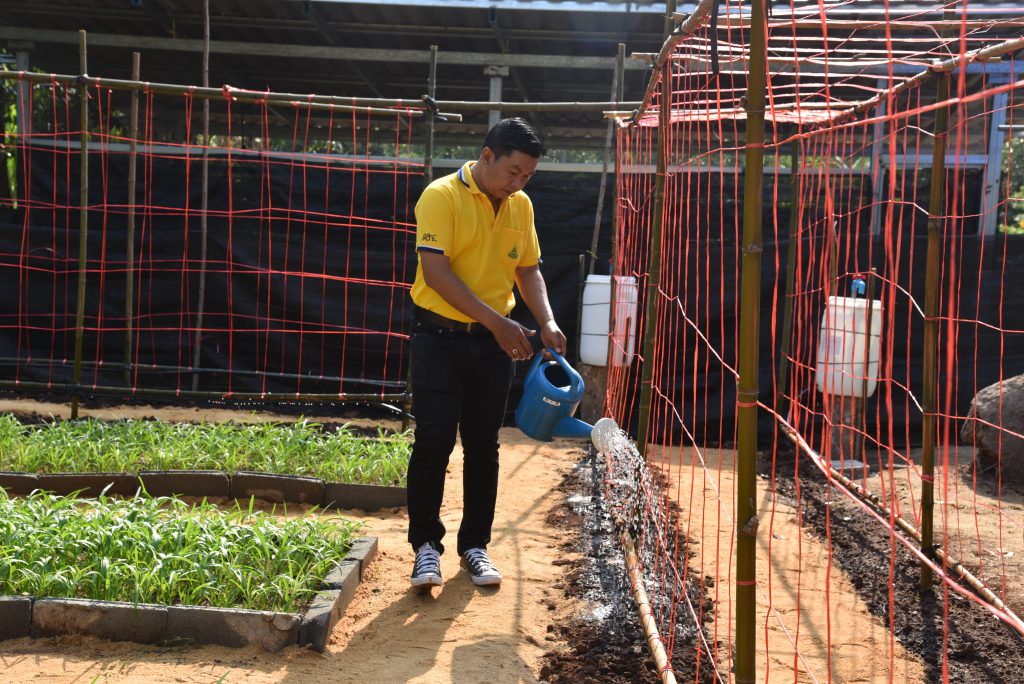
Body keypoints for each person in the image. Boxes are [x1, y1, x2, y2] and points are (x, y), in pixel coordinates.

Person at [407, 117, 566, 591]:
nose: (518, 183)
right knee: (434, 440)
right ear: (487, 156)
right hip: (439, 338)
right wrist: (499, 323)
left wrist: (547, 320)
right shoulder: (441, 196)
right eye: (512, 171)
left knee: (483, 444)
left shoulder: (520, 205)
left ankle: (475, 545)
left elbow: (528, 270)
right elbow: (436, 274)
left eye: (528, 176)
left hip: (494, 344)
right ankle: (425, 547)